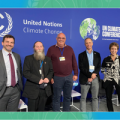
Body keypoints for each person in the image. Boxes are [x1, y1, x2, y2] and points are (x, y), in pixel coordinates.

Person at [47, 33, 78, 111]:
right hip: (57, 78)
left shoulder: (70, 49)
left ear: (65, 39)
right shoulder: (51, 49)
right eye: (59, 38)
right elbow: (47, 64)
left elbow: (74, 61)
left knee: (67, 97)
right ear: (56, 39)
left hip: (69, 77)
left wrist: (76, 73)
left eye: (63, 38)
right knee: (56, 98)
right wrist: (50, 77)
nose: (61, 39)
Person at [22, 41, 53, 111]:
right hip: (33, 90)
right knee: (32, 112)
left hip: (45, 90)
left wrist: (48, 78)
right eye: (37, 46)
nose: (39, 48)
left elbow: (51, 71)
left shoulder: (48, 59)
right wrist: (37, 79)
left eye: (41, 46)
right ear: (34, 48)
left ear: (43, 48)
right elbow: (26, 73)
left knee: (41, 111)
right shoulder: (28, 58)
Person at [0, 34, 23, 111]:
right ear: (2, 43)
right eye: (7, 42)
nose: (9, 44)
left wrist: (19, 88)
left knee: (12, 115)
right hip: (2, 91)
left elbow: (19, 72)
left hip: (15, 91)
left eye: (11, 42)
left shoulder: (17, 56)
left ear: (14, 44)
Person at [78, 38, 101, 111]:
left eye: (90, 42)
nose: (88, 44)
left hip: (95, 78)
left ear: (92, 43)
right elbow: (81, 67)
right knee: (83, 98)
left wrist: (94, 75)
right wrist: (90, 75)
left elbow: (98, 66)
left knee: (95, 97)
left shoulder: (97, 54)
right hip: (85, 78)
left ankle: (95, 114)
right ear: (85, 44)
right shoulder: (81, 55)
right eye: (87, 43)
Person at [101, 42, 120, 111]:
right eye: (112, 49)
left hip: (118, 80)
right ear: (110, 50)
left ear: (117, 50)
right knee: (109, 98)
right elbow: (102, 69)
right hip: (108, 80)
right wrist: (107, 74)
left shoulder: (119, 58)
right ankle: (111, 114)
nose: (113, 50)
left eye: (115, 49)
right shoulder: (106, 59)